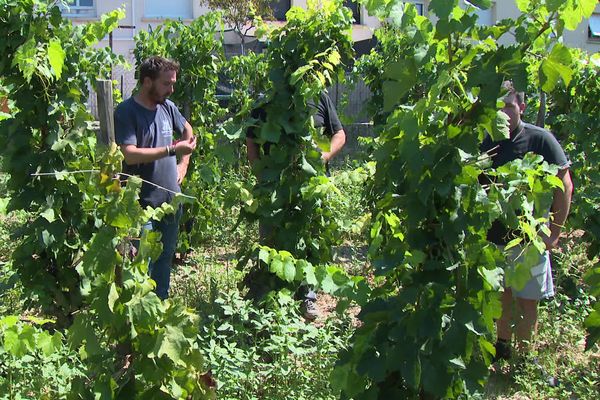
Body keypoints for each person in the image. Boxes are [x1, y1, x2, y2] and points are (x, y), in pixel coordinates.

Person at [480, 81, 573, 362]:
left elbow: (565, 186)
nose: (503, 113)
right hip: (494, 238)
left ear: (521, 107)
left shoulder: (539, 139)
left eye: (508, 106)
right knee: (501, 297)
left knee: (528, 302)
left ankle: (525, 358)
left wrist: (553, 234)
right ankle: (503, 346)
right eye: (498, 107)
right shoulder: (486, 141)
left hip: (528, 241)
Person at [246, 91, 346, 319]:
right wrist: (261, 175)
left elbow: (339, 134)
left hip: (311, 185)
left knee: (308, 239)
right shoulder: (266, 99)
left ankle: (307, 298)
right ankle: (270, 299)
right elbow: (251, 139)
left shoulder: (319, 96)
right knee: (270, 239)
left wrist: (323, 156)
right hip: (275, 187)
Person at [114, 56, 197, 300]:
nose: (171, 90)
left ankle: (159, 312)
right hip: (141, 206)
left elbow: (188, 129)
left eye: (173, 84)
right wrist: (173, 150)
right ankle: (139, 319)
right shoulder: (126, 112)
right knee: (142, 265)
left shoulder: (167, 107)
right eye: (166, 84)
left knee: (164, 263)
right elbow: (129, 155)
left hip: (171, 202)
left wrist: (184, 163)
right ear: (147, 82)